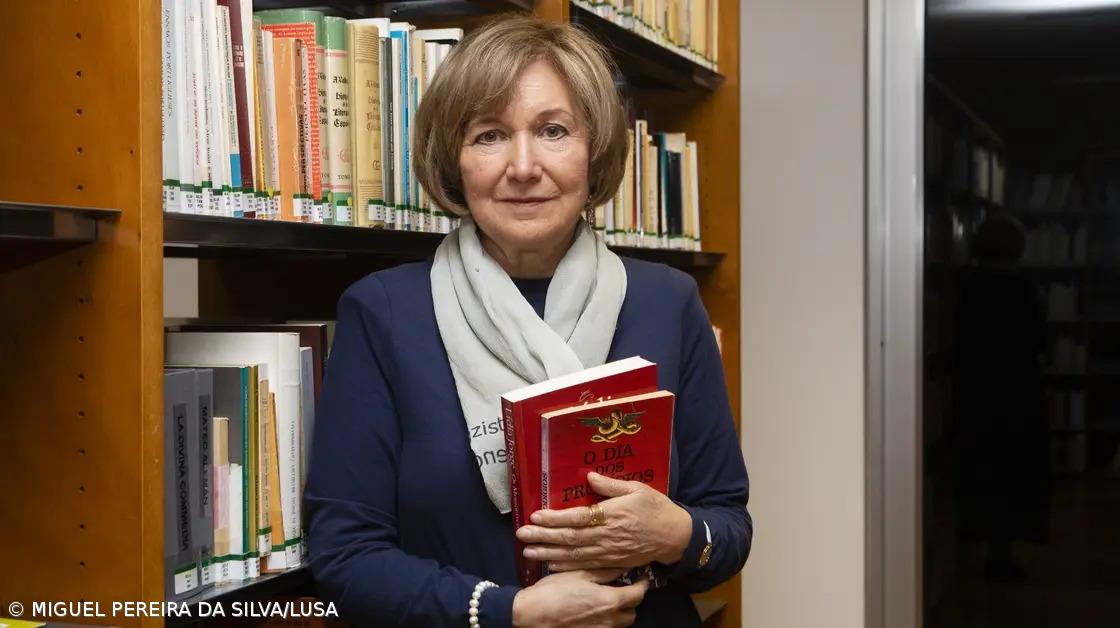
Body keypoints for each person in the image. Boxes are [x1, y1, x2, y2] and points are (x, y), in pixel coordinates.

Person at [305, 14, 751, 627]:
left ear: (594, 151)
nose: (522, 165)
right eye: (488, 135)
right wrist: (505, 612)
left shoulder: (668, 302)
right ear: (453, 160)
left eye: (553, 131)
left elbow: (727, 524)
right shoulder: (383, 312)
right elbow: (344, 555)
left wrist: (675, 533)